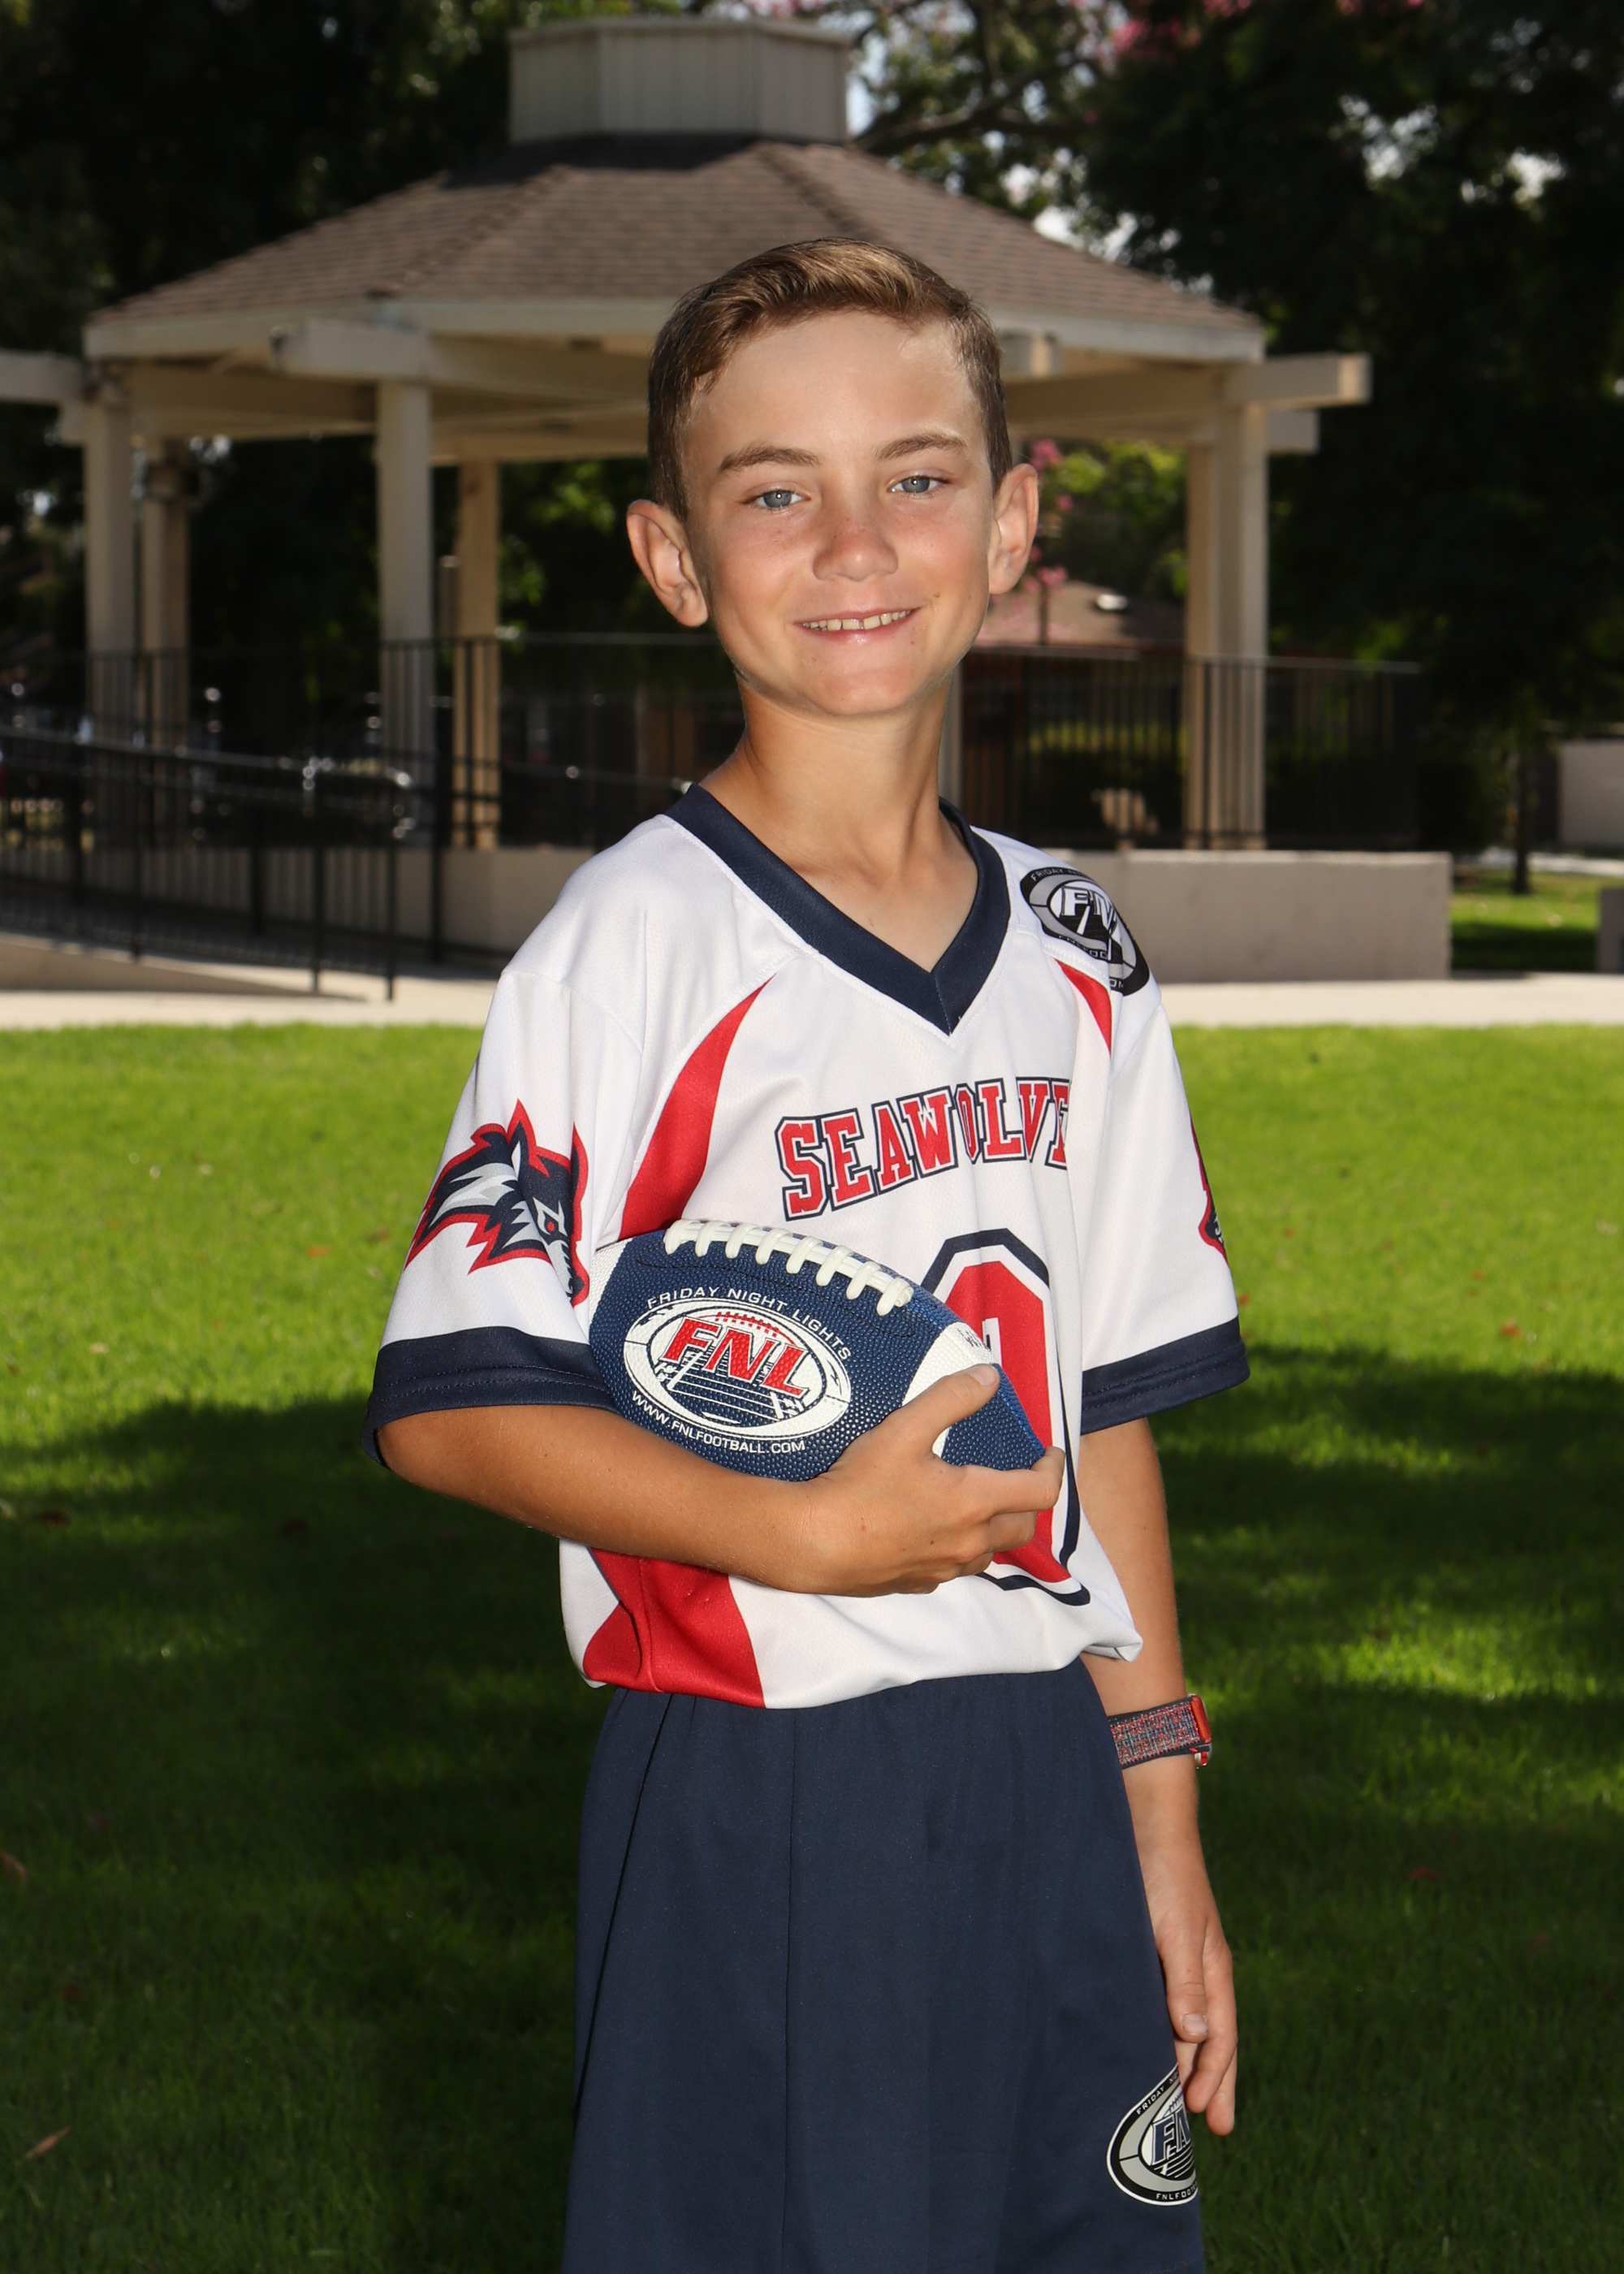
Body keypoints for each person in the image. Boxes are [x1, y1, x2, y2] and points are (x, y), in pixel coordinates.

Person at [368, 239, 1246, 2274]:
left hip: (1045, 1760)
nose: (855, 542)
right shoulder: (638, 940)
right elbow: (449, 1404)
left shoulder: (1076, 943)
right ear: (675, 559)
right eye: (776, 490)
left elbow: (1103, 1408)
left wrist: (1158, 1801)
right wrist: (806, 1534)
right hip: (766, 1787)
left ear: (1011, 524)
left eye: (916, 475)